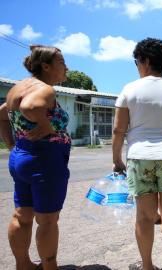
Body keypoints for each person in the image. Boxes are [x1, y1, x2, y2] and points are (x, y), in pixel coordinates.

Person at [112, 38, 162, 270]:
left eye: (137, 61)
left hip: (139, 157)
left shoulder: (129, 89)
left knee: (144, 217)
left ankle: (147, 265)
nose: (137, 66)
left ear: (145, 61)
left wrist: (116, 159)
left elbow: (118, 129)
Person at [0, 45, 71, 270]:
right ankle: (50, 268)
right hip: (44, 160)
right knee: (48, 220)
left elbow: (2, 113)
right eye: (61, 62)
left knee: (23, 215)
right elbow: (31, 106)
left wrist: (11, 143)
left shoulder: (17, 87)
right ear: (46, 66)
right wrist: (45, 124)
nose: (66, 67)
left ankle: (24, 265)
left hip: (21, 155)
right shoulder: (44, 89)